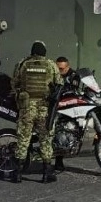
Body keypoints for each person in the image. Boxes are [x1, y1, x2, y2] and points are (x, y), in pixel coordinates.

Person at [9, 41, 62, 183]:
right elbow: (59, 84)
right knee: (45, 139)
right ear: (44, 51)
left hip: (27, 108)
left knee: (23, 139)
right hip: (44, 108)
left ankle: (18, 174)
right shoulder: (51, 64)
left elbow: (14, 83)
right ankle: (46, 174)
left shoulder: (22, 64)